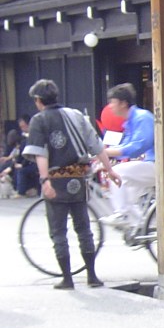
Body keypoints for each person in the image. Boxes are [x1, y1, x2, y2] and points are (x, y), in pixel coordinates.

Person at [22, 79, 121, 289]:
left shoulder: (39, 120)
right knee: (84, 228)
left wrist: (44, 180)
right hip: (78, 180)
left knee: (58, 231)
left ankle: (67, 278)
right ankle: (92, 276)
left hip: (55, 180)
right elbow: (96, 145)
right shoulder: (75, 115)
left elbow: (40, 154)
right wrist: (109, 170)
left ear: (38, 101)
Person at [100, 83, 155, 229]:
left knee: (118, 173)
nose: (110, 106)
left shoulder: (142, 118)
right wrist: (104, 155)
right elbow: (124, 146)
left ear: (123, 103)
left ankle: (121, 214)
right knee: (127, 196)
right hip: (150, 163)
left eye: (112, 102)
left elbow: (137, 146)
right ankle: (140, 230)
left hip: (158, 164)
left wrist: (105, 153)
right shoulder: (131, 121)